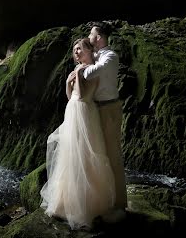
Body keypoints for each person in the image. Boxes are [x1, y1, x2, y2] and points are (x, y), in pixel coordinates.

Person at [40, 38, 116, 230]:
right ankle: (65, 202)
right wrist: (68, 81)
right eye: (74, 50)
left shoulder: (91, 70)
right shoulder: (79, 70)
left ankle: (86, 205)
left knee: (84, 154)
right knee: (70, 154)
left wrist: (79, 74)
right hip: (72, 111)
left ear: (89, 50)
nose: (76, 53)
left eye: (79, 49)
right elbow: (70, 95)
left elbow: (82, 95)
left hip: (84, 112)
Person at [83, 22, 127, 223]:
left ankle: (119, 203)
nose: (88, 37)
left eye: (91, 34)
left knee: (113, 154)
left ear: (99, 37)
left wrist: (83, 65)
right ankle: (102, 200)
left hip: (109, 108)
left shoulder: (110, 56)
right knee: (98, 155)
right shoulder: (96, 56)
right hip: (96, 109)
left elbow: (89, 73)